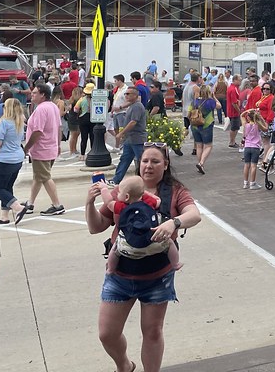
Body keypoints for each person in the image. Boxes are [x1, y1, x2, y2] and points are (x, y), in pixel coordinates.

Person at [85, 144, 201, 372]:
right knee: (107, 333)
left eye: (155, 161)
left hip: (157, 276)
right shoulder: (125, 189)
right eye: (145, 161)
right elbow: (96, 226)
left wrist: (173, 222)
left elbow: (194, 215)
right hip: (120, 274)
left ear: (165, 165)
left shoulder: (174, 191)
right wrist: (89, 202)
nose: (148, 166)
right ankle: (124, 366)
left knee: (152, 331)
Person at [99, 176, 180, 275]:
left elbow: (108, 203)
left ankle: (111, 269)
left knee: (115, 248)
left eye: (119, 192)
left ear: (127, 197)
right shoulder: (149, 202)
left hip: (128, 246)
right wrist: (143, 193)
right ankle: (175, 263)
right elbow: (158, 201)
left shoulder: (123, 207)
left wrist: (103, 188)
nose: (118, 194)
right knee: (170, 243)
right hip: (154, 243)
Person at [19, 82, 66, 219]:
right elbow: (58, 127)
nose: (32, 95)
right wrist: (57, 145)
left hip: (41, 149)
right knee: (38, 177)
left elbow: (38, 131)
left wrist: (27, 147)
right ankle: (30, 203)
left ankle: (57, 205)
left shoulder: (41, 109)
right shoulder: (53, 107)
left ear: (42, 95)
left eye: (34, 93)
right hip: (50, 147)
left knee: (44, 177)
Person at [0, 98, 28, 224]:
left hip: (3, 159)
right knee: (7, 187)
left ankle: (18, 208)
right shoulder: (19, 122)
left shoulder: (3, 123)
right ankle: (4, 216)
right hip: (17, 158)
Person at [113, 86, 148, 185]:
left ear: (135, 95)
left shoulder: (137, 106)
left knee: (142, 161)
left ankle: (145, 181)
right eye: (125, 94)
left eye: (129, 94)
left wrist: (121, 133)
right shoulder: (132, 105)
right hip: (130, 139)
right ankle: (116, 180)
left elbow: (133, 122)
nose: (126, 95)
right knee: (125, 159)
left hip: (137, 139)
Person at [191, 85, 218, 175]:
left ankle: (200, 164)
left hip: (195, 125)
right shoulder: (210, 102)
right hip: (206, 125)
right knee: (208, 146)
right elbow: (219, 106)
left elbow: (189, 111)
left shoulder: (195, 101)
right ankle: (201, 163)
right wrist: (214, 97)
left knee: (199, 146)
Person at [241, 109, 264, 189]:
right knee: (253, 165)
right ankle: (252, 183)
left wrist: (248, 110)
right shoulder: (257, 125)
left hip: (247, 146)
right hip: (255, 147)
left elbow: (241, 115)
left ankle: (245, 183)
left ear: (248, 117)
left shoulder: (245, 125)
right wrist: (261, 119)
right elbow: (266, 128)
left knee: (246, 165)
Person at [225, 74, 242, 149]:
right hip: (233, 111)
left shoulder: (235, 88)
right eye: (239, 80)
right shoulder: (233, 89)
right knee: (234, 127)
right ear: (235, 80)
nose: (240, 81)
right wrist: (239, 111)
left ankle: (233, 141)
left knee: (236, 126)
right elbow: (234, 102)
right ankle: (231, 142)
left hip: (233, 111)